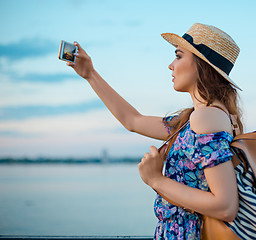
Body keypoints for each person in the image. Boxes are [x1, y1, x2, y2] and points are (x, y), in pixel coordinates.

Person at [67, 23, 243, 240]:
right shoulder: (195, 118)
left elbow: (225, 206)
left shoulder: (206, 117)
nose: (171, 65)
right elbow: (133, 120)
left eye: (178, 56)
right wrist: (90, 74)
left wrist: (155, 180)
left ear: (200, 65)